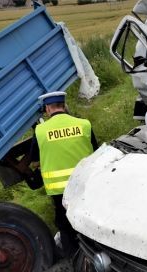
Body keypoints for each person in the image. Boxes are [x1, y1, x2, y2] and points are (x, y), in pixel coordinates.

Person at [34, 91, 98, 257]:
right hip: (85, 183)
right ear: (64, 105)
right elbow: (96, 151)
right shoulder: (84, 124)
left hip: (59, 190)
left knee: (64, 224)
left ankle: (74, 259)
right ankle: (97, 254)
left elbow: (34, 158)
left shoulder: (40, 131)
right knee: (90, 219)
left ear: (48, 108)